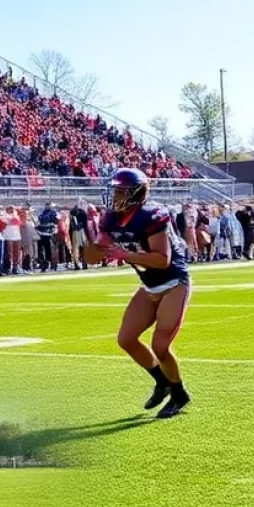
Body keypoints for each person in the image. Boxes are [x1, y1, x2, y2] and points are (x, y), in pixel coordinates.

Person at [88, 168, 192, 419]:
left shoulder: (151, 215)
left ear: (136, 193)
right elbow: (91, 258)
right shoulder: (111, 218)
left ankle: (179, 394)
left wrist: (126, 255)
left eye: (120, 191)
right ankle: (162, 382)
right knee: (126, 338)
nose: (115, 195)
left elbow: (162, 259)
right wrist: (97, 243)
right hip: (149, 286)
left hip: (173, 282)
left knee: (161, 346)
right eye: (114, 190)